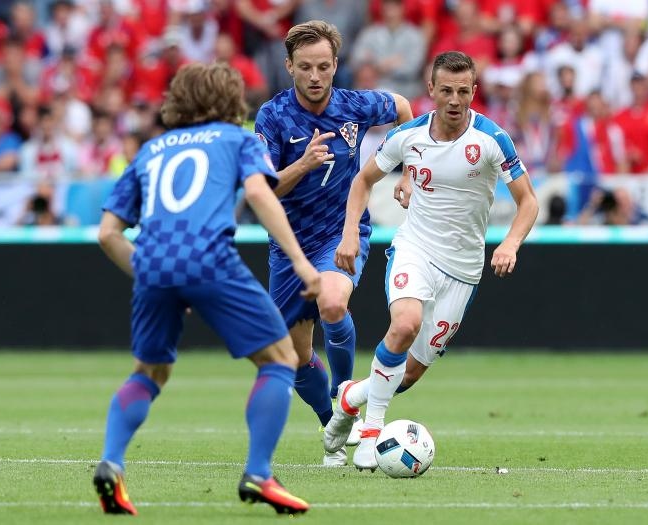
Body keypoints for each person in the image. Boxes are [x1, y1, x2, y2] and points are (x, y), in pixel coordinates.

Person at [93, 63, 319, 516]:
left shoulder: (151, 150)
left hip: (153, 263)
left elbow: (107, 233)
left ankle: (111, 464)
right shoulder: (236, 139)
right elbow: (258, 194)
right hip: (209, 257)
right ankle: (259, 472)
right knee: (280, 358)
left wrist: (157, 274)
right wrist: (300, 262)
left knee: (149, 371)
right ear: (229, 100)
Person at [324, 51, 539, 470]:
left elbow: (527, 200)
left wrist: (512, 241)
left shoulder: (493, 139)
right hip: (416, 249)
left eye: (463, 92)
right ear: (431, 91)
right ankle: (370, 433)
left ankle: (349, 397)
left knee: (406, 376)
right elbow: (363, 180)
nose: (455, 100)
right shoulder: (408, 136)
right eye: (446, 91)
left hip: (463, 269)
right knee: (404, 324)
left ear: (474, 92)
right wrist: (349, 231)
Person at [253, 19, 413, 467]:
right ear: (290, 67)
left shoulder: (355, 104)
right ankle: (332, 423)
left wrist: (409, 173)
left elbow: (404, 108)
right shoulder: (272, 117)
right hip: (288, 245)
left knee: (333, 303)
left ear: (335, 65)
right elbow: (263, 191)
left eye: (324, 66)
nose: (316, 75)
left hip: (341, 232)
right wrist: (302, 164)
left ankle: (347, 403)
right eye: (306, 67)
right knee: (294, 355)